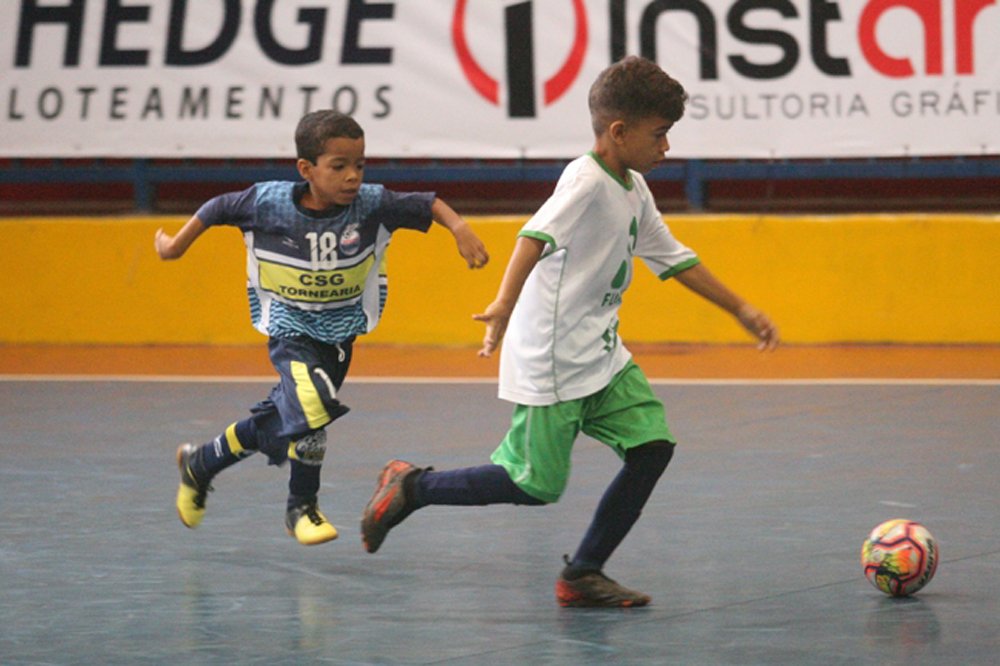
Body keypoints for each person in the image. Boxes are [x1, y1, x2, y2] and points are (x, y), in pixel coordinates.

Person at [359, 57, 778, 606]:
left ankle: (583, 573)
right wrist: (503, 308)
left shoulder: (633, 188)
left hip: (601, 354)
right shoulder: (584, 180)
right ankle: (413, 486)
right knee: (532, 486)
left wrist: (740, 309)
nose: (667, 148)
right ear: (618, 132)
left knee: (652, 448)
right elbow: (533, 238)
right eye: (660, 134)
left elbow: (674, 259)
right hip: (554, 356)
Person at [155, 110, 489, 546]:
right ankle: (301, 507)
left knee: (281, 424)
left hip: (339, 336)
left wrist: (459, 228)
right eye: (339, 166)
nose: (353, 176)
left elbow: (427, 203)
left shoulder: (372, 204)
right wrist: (175, 245)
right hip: (289, 329)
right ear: (306, 169)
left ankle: (201, 463)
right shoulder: (267, 203)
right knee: (312, 408)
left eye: (360, 165)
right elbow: (218, 207)